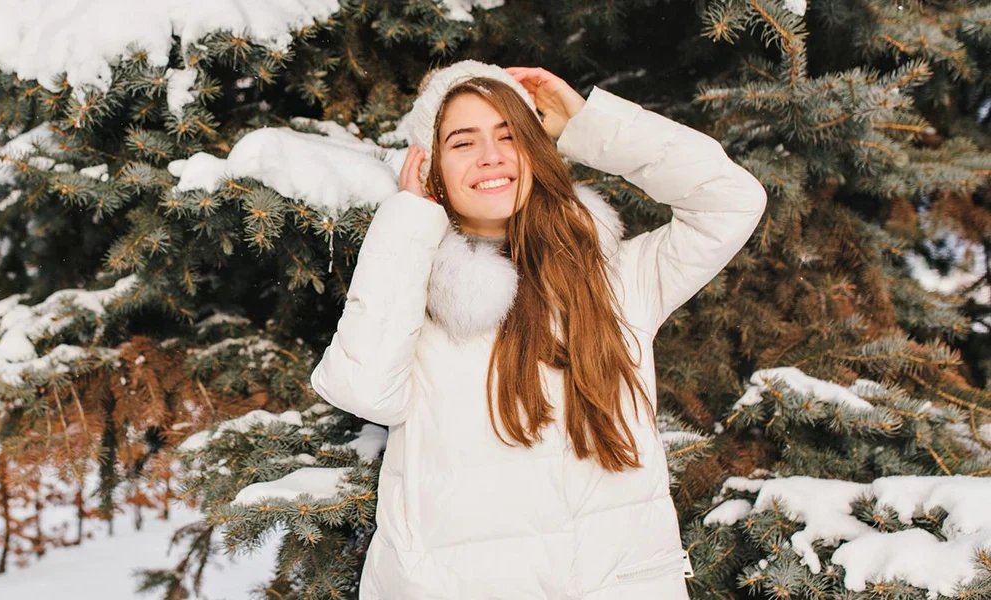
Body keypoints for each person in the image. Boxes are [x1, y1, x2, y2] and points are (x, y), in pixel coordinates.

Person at [309, 60, 767, 599]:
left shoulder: (618, 279)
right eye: (463, 142)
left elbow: (732, 200)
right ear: (431, 168)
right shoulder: (413, 297)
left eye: (510, 135)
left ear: (535, 150)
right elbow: (363, 390)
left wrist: (589, 125)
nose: (491, 155)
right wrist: (408, 220)